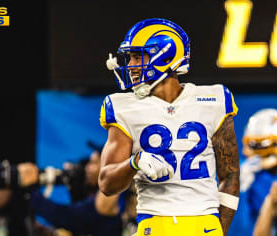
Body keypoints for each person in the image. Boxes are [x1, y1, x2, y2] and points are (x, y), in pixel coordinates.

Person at [99, 18, 240, 236]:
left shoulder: (214, 100)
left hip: (205, 225)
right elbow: (106, 184)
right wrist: (134, 162)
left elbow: (230, 176)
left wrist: (219, 231)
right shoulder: (122, 107)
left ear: (165, 55)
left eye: (138, 56)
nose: (132, 65)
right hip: (154, 224)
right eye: (130, 57)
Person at [18, 148, 127, 236]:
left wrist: (31, 189)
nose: (87, 168)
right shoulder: (93, 194)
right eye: (88, 163)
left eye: (94, 163)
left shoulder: (112, 193)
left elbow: (70, 217)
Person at [229, 108, 277, 235]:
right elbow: (238, 230)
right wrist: (240, 188)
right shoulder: (243, 171)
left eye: (264, 146)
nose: (258, 152)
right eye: (254, 145)